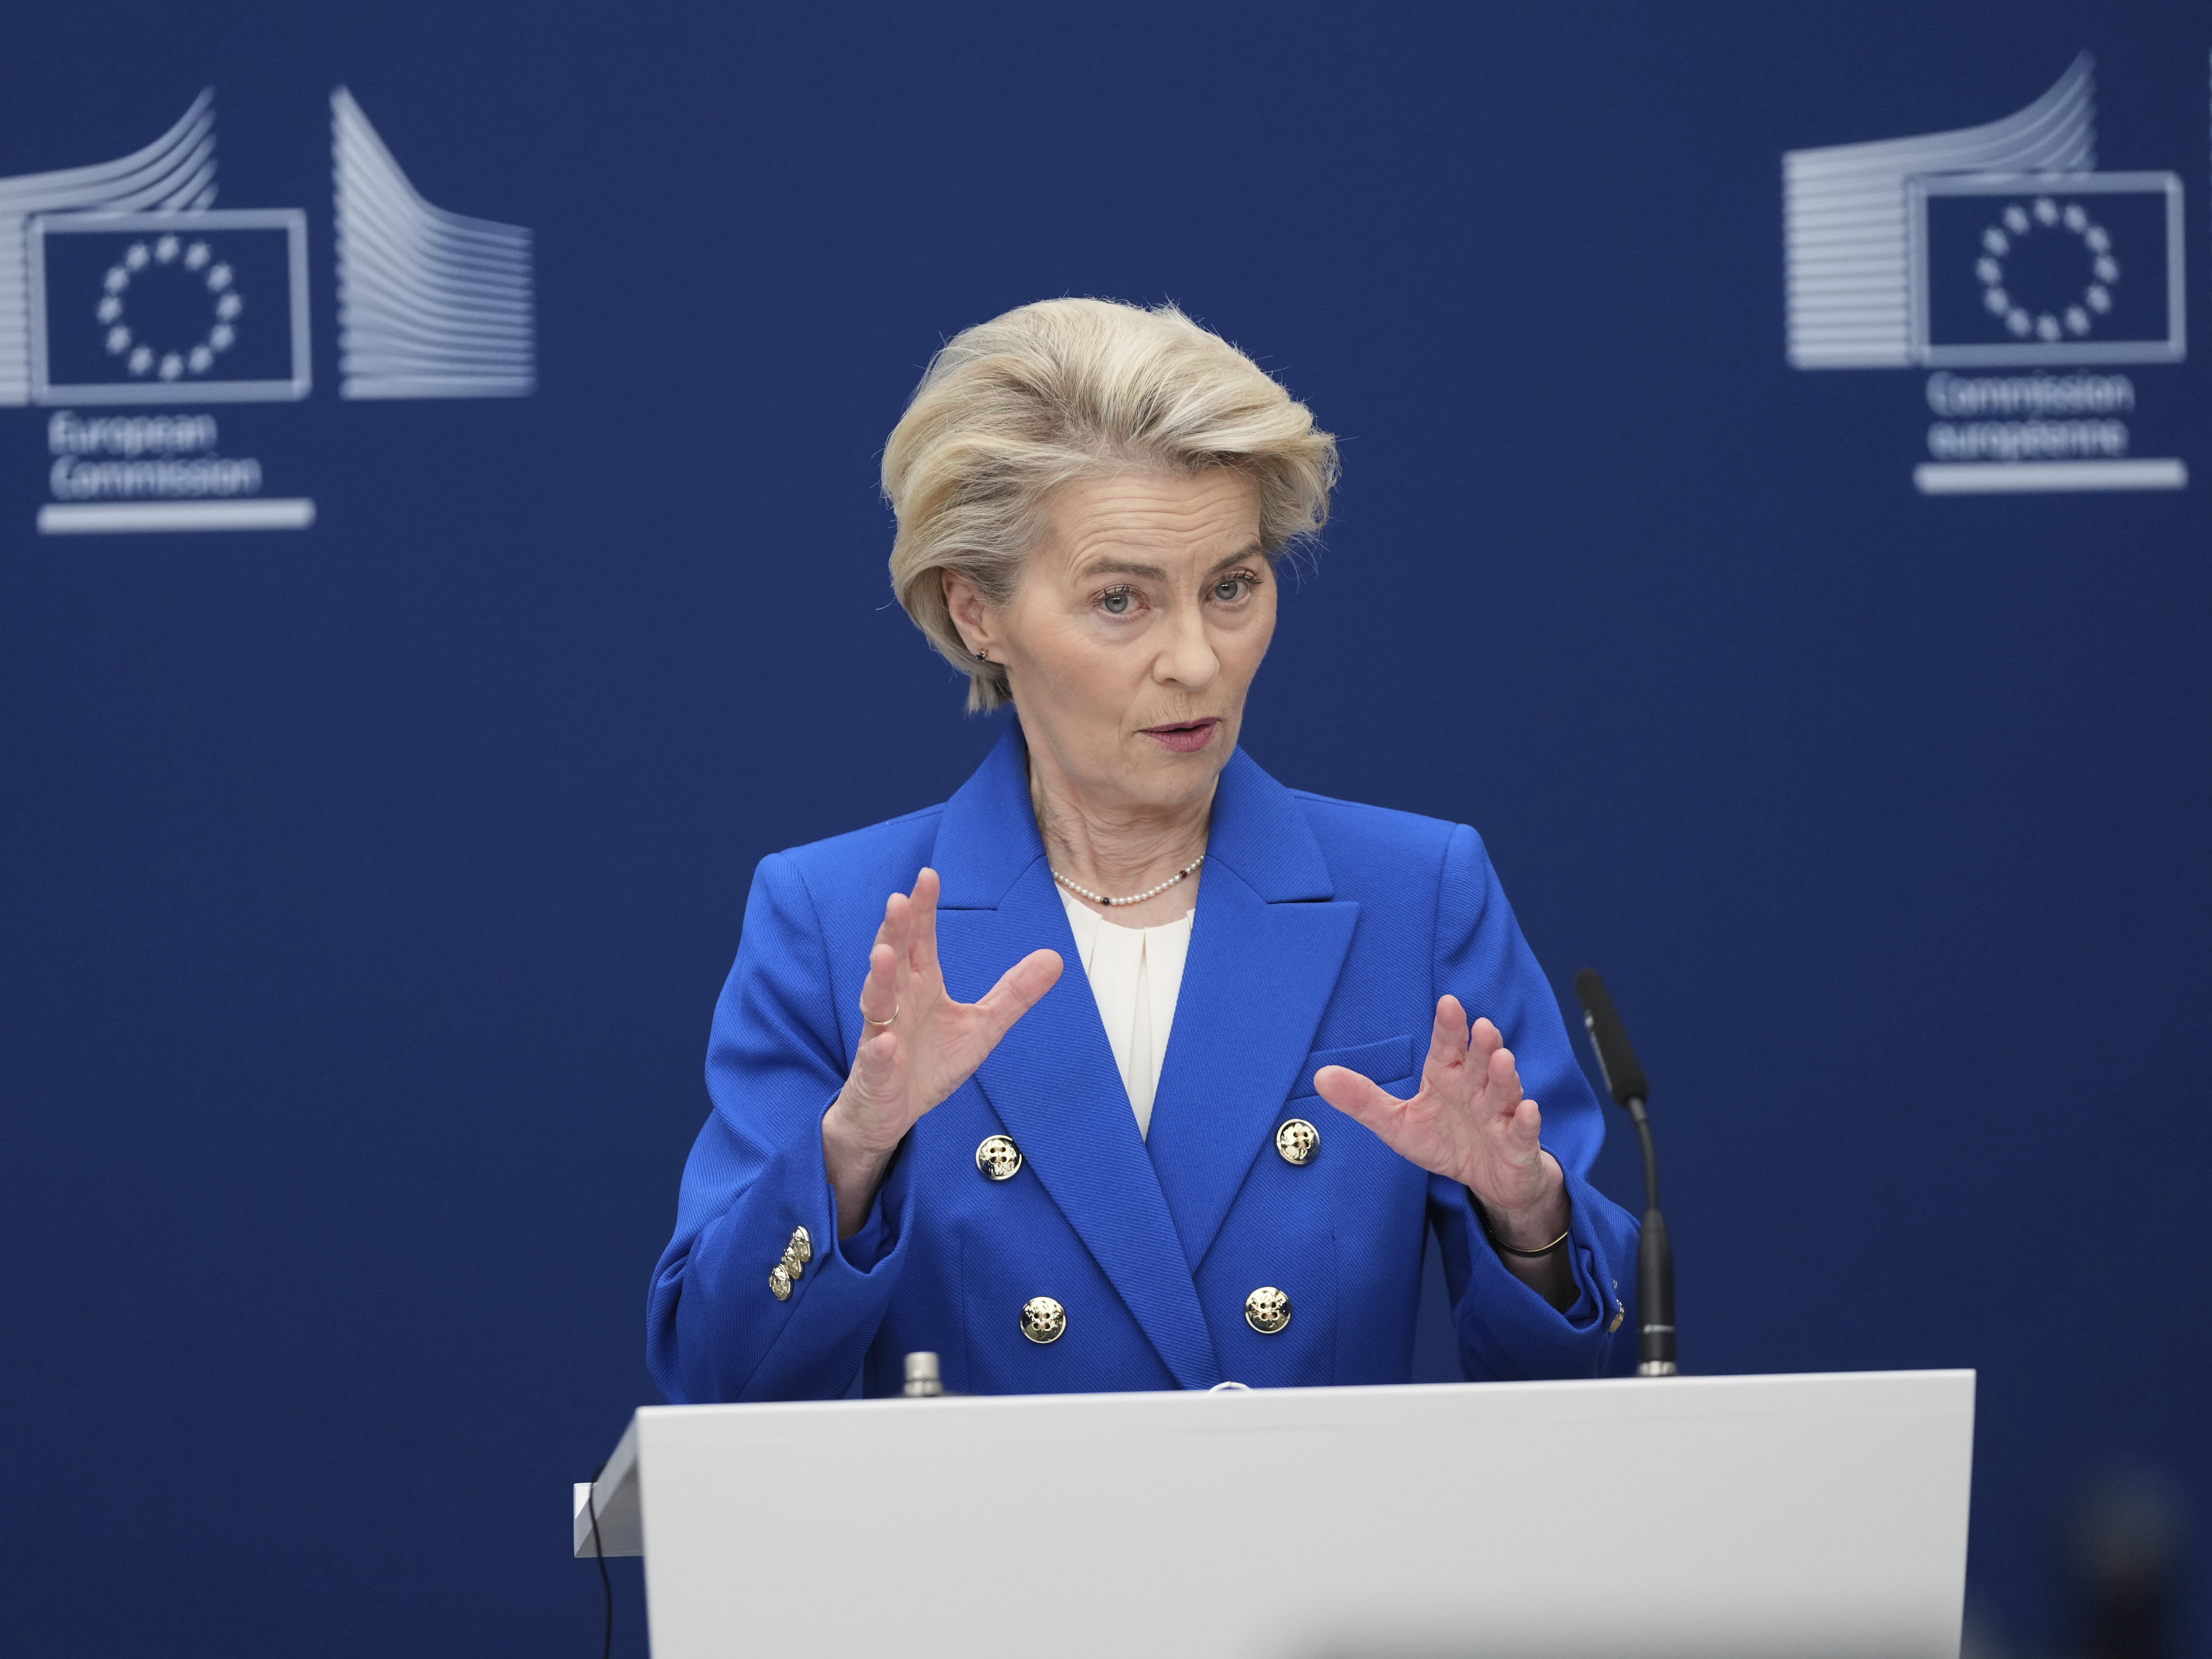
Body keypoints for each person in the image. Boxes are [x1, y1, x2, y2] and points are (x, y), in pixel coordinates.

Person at [648, 298, 1639, 1400]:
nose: (1196, 660)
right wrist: (852, 1148)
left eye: (1231, 587)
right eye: (1120, 599)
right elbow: (718, 1383)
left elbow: (1590, 1395)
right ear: (976, 612)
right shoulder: (838, 921)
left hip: (1315, 1518)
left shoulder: (1417, 895)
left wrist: (1528, 1217)